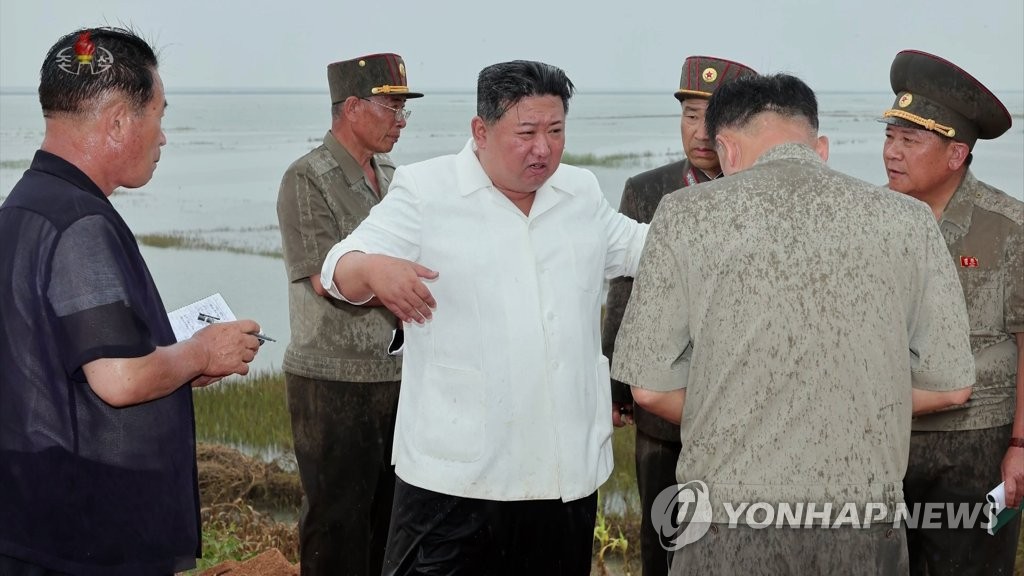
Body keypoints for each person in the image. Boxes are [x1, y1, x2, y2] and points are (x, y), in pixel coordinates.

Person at [611, 72, 975, 576]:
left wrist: (747, 405)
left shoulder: (684, 216)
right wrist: (838, 404)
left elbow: (648, 390)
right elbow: (953, 385)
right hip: (863, 519)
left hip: (726, 520)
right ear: (818, 145)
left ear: (727, 150)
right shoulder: (909, 220)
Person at [320, 60, 648, 575]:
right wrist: (376, 269)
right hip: (454, 481)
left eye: (556, 131)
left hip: (563, 479)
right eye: (526, 133)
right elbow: (337, 267)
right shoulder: (427, 191)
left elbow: (646, 250)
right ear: (481, 130)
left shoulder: (579, 193)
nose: (544, 149)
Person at [0, 27, 262, 575]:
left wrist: (175, 362)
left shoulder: (25, 205)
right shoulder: (81, 224)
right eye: (159, 116)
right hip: (87, 535)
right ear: (119, 120)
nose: (163, 137)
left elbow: (60, 354)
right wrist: (202, 352)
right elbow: (119, 379)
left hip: (31, 515)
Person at [601, 54, 755, 576]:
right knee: (661, 535)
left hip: (745, 409)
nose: (700, 130)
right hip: (661, 405)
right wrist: (618, 386)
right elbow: (624, 293)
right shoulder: (647, 190)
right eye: (690, 114)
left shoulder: (764, 195)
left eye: (713, 116)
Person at [275, 52, 421, 576]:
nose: (401, 121)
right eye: (391, 108)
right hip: (332, 383)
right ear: (352, 107)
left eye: (405, 110)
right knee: (337, 526)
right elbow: (323, 277)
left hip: (398, 377)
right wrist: (400, 282)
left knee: (391, 520)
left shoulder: (394, 176)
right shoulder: (307, 179)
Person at [880, 49, 1024, 576]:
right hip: (888, 441)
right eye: (890, 136)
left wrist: (1020, 446)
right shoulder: (872, 220)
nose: (892, 152)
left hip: (978, 445)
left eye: (909, 140)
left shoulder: (1008, 227)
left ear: (956, 154)